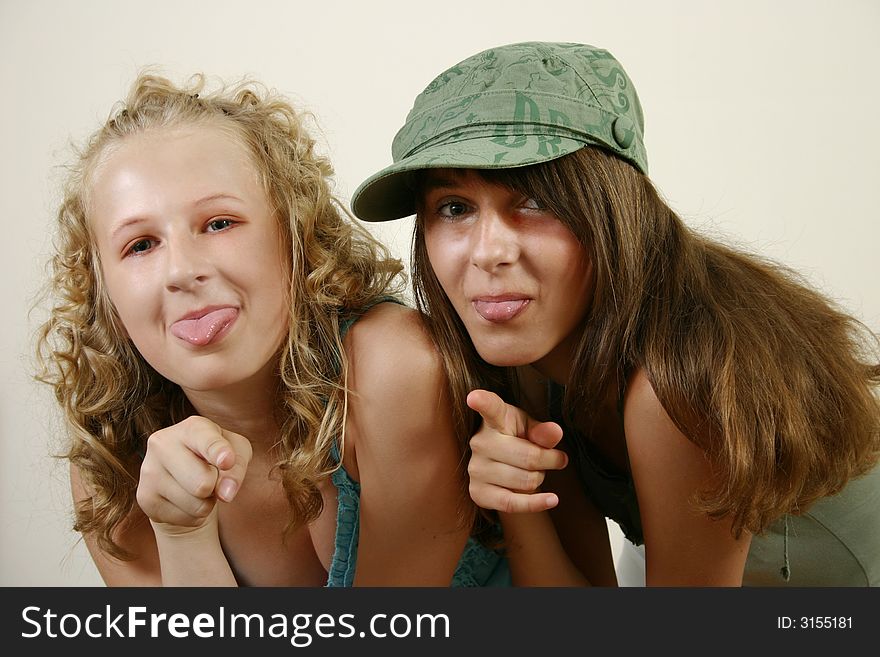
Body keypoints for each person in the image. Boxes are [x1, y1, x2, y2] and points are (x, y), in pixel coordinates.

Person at [350, 41, 880, 586]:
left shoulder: (680, 383)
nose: (487, 251)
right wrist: (516, 500)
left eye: (533, 200)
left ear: (613, 206)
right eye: (454, 208)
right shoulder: (531, 361)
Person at [35, 71, 509, 587]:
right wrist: (182, 536)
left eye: (219, 223)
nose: (181, 272)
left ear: (295, 233)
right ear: (104, 290)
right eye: (141, 245)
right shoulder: (111, 463)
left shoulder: (393, 367)